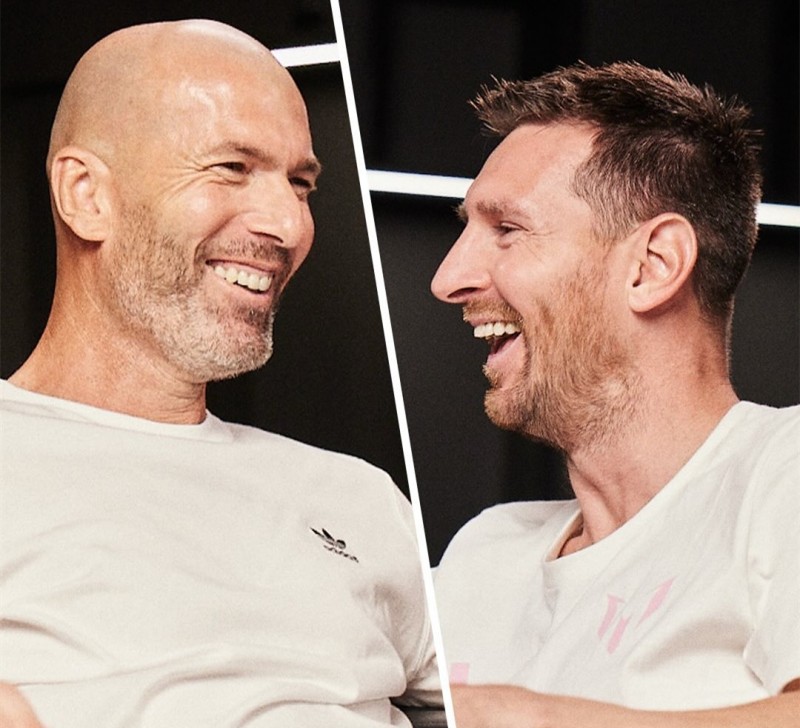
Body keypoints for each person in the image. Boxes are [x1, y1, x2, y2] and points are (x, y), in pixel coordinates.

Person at [0, 20, 441, 727]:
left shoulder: (360, 496)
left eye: (300, 184)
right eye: (232, 167)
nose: (289, 226)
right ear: (86, 195)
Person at [430, 61, 799, 726]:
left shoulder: (782, 470)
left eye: (507, 229)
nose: (448, 278)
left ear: (653, 266)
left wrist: (517, 717)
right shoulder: (483, 554)